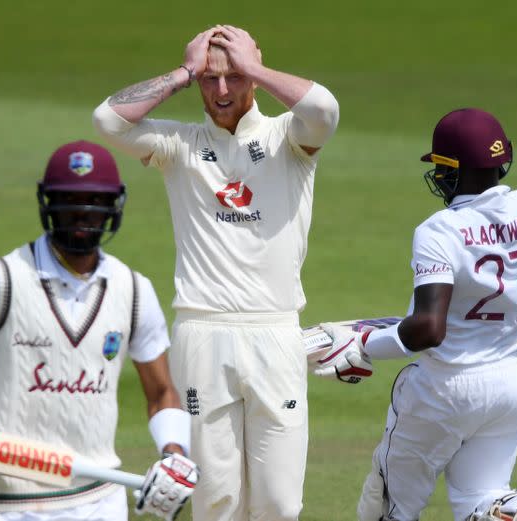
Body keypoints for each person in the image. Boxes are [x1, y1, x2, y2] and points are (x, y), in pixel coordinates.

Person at [92, 25, 339, 521]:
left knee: (280, 503)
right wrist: (183, 73)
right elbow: (108, 121)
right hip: (202, 334)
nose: (221, 91)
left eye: (233, 77)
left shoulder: (286, 139)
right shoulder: (179, 145)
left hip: (275, 331)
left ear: (251, 73)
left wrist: (254, 69)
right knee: (214, 500)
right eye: (210, 79)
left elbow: (325, 110)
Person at [312, 108, 517, 521]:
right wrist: (514, 302)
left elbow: (428, 328)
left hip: (443, 390)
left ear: (452, 171)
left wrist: (363, 343)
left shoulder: (440, 230)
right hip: (512, 386)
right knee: (481, 502)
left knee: (389, 505)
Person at [0, 140, 199, 521]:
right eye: (69, 200)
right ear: (49, 203)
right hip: (15, 505)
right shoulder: (2, 280)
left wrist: (174, 455)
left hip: (100, 499)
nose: (81, 213)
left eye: (93, 202)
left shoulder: (133, 289)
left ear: (112, 208)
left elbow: (162, 391)